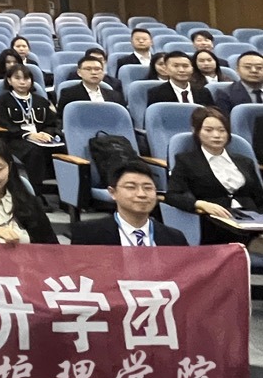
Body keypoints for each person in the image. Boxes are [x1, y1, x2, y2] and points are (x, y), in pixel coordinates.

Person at [165, 106, 263, 246]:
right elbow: (173, 195)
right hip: (215, 223)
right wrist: (200, 204)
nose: (217, 135)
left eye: (222, 130)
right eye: (209, 130)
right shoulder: (186, 161)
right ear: (196, 131)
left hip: (251, 223)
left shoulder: (244, 161)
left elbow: (259, 198)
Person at [71, 161, 187, 246]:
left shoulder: (175, 238)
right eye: (131, 187)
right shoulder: (88, 234)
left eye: (148, 188)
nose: (141, 194)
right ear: (112, 192)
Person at [0, 64, 60, 187]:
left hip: (41, 137)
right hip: (15, 138)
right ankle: (36, 189)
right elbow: (6, 125)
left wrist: (46, 133)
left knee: (63, 149)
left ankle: (61, 190)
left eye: (26, 78)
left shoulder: (40, 100)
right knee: (34, 151)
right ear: (9, 80)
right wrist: (28, 135)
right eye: (17, 78)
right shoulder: (3, 100)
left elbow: (52, 122)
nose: (22, 82)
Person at [147, 51, 214, 107]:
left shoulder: (203, 92)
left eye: (185, 66)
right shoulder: (156, 93)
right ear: (166, 69)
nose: (181, 70)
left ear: (192, 69)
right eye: (176, 66)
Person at [57, 55, 125, 109]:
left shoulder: (115, 95)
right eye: (88, 69)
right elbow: (62, 118)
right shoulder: (69, 94)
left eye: (97, 69)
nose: (93, 72)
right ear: (79, 72)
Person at [220, 51, 263, 116]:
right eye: (247, 67)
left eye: (259, 67)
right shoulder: (226, 94)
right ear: (237, 70)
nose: (254, 71)